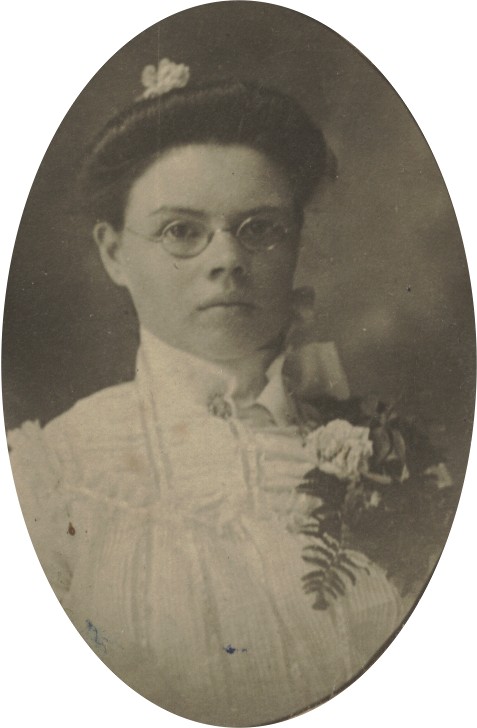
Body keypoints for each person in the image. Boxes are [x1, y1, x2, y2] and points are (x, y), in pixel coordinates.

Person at [8, 60, 417, 726]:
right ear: (113, 253)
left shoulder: (387, 453)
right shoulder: (53, 476)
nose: (226, 259)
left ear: (294, 242)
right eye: (180, 231)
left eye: (259, 228)